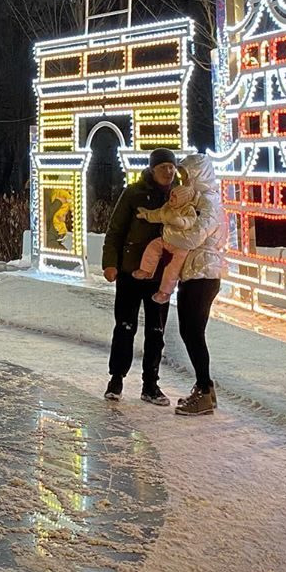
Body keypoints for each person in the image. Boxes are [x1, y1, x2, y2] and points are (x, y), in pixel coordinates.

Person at [101, 148, 180, 406]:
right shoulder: (134, 194)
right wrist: (110, 263)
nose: (168, 172)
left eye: (172, 167)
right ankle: (116, 379)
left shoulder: (180, 197)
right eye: (163, 167)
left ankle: (151, 384)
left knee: (156, 331)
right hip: (130, 272)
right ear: (152, 169)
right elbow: (115, 230)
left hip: (161, 275)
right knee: (125, 326)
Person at [167, 153, 228, 417]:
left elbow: (193, 237)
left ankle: (204, 390)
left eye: (185, 175)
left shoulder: (209, 202)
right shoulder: (199, 200)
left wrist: (169, 233)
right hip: (194, 272)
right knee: (189, 331)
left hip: (203, 274)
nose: (182, 180)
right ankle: (204, 387)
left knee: (193, 332)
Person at [132, 182, 199, 303]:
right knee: (152, 247)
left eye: (175, 197)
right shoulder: (167, 207)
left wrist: (180, 222)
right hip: (167, 239)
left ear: (183, 199)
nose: (171, 199)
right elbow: (158, 214)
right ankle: (146, 269)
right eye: (171, 196)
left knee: (172, 269)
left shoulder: (188, 209)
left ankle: (165, 292)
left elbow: (190, 221)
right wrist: (146, 214)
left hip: (181, 245)